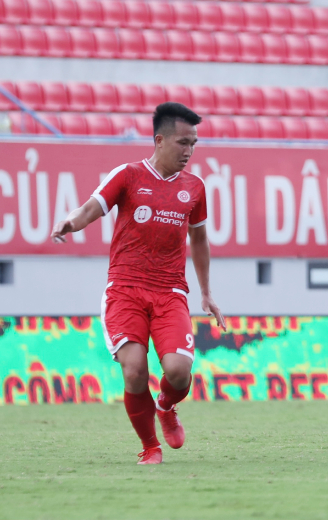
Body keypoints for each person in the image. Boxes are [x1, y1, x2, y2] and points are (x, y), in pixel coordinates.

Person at [51, 102, 226, 465]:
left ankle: (165, 407)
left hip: (170, 292)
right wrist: (71, 222)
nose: (189, 151)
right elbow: (89, 208)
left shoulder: (194, 188)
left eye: (194, 143)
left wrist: (206, 293)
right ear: (159, 140)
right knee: (135, 371)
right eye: (182, 143)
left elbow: (199, 240)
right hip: (125, 289)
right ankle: (150, 447)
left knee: (178, 372)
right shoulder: (128, 175)